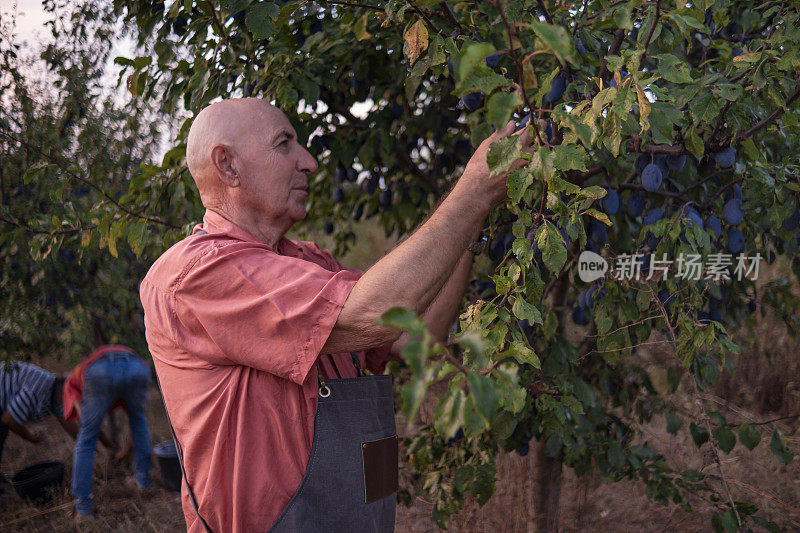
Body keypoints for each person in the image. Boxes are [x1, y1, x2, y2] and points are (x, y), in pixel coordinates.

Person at [139, 97, 533, 532]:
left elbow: (416, 335)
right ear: (228, 165)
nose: (308, 161)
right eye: (284, 144)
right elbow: (376, 313)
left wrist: (471, 226)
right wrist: (472, 191)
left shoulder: (308, 264)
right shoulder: (196, 274)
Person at [61, 344, 153, 518]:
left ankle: (83, 507)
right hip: (136, 365)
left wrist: (105, 442)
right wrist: (123, 448)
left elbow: (86, 425)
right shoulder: (86, 366)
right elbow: (136, 426)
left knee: (86, 438)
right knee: (139, 421)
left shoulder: (70, 384)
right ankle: (143, 482)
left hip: (101, 370)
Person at [0, 362, 64, 471]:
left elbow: (63, 417)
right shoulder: (38, 389)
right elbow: (9, 419)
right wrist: (30, 437)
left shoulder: (53, 388)